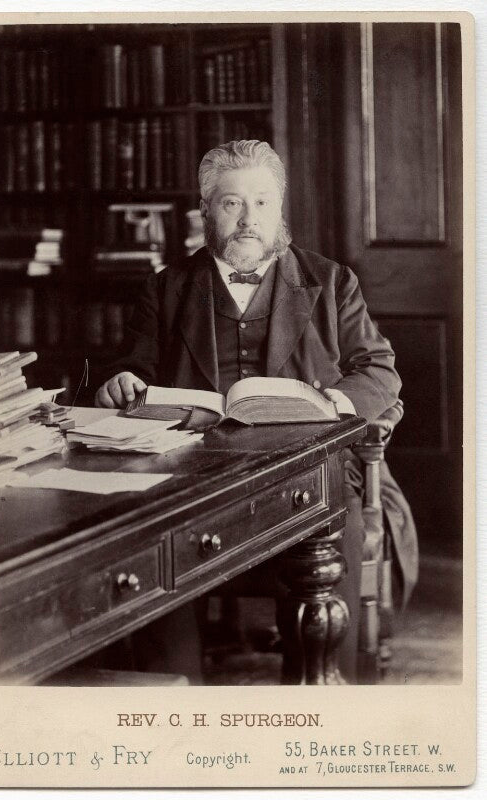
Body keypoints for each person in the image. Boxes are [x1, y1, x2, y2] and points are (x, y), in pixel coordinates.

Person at [94, 140, 418, 683]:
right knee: (152, 548)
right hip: (193, 477)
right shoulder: (166, 287)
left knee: (329, 542)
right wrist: (123, 382)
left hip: (311, 472)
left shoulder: (332, 282)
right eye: (232, 203)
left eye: (262, 203)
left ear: (279, 208)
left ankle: (321, 699)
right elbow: (135, 370)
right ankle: (170, 703)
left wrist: (331, 405)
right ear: (206, 211)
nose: (249, 219)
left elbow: (380, 371)